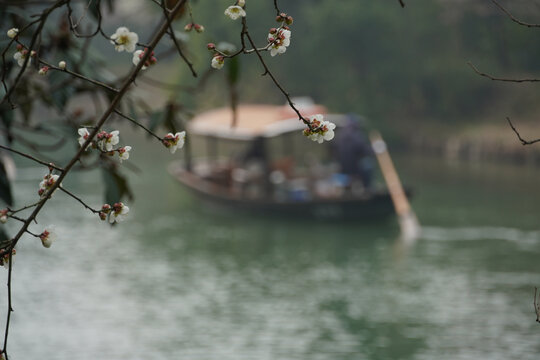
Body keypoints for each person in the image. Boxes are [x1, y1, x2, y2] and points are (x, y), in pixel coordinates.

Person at [333, 114, 375, 191]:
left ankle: (349, 190)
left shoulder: (339, 135)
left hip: (343, 168)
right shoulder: (355, 135)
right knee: (368, 164)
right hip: (355, 167)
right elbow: (363, 149)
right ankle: (367, 189)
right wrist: (375, 149)